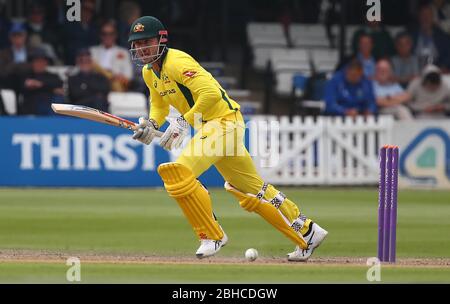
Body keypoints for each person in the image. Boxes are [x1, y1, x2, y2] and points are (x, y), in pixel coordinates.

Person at [129, 16, 328, 261]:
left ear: (161, 40)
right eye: (137, 44)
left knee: (178, 172)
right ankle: (307, 231)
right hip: (215, 127)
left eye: (146, 41)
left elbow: (210, 94)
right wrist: (151, 124)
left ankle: (212, 235)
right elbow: (158, 105)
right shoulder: (150, 72)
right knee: (250, 190)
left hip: (223, 123)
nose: (141, 48)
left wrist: (182, 122)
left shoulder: (177, 61)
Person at [17, 48, 63, 115]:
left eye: (42, 61)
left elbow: (59, 85)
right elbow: (21, 87)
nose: (39, 64)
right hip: (32, 109)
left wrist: (40, 85)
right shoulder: (27, 76)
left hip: (50, 109)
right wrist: (52, 89)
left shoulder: (53, 76)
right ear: (32, 63)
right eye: (37, 61)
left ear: (46, 63)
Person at [90, 21, 133, 92]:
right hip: (95, 85)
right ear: (100, 35)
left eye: (111, 34)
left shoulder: (123, 52)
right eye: (104, 34)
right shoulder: (92, 51)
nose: (108, 36)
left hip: (116, 86)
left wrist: (118, 77)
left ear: (115, 35)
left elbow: (129, 76)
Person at [411, 4, 450, 71]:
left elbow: (448, 55)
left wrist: (443, 67)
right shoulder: (412, 34)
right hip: (414, 70)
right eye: (423, 15)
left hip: (437, 71)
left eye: (428, 15)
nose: (426, 18)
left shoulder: (442, 35)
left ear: (432, 17)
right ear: (419, 17)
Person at [0, 23, 32, 90]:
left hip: (30, 83)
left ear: (25, 36)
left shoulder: (33, 50)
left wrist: (15, 65)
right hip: (10, 84)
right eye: (14, 35)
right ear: (10, 37)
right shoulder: (3, 53)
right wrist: (21, 65)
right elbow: (2, 71)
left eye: (20, 35)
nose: (17, 38)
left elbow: (35, 68)